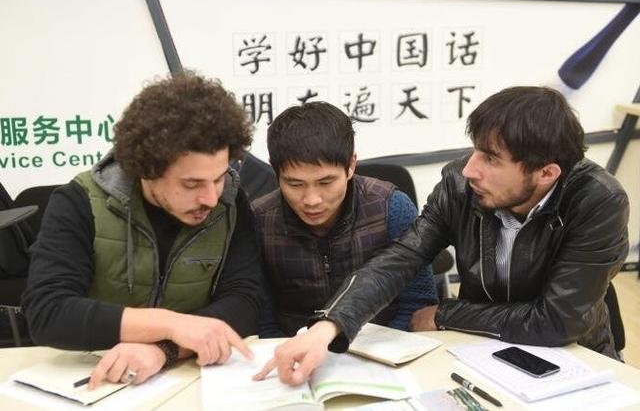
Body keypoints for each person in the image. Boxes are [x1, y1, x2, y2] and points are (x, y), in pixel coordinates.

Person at [254, 86, 630, 386]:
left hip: (575, 362)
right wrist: (330, 325)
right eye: (475, 150)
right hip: (478, 350)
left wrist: (447, 312)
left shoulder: (598, 201)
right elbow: (401, 258)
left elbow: (556, 321)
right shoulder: (458, 185)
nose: (469, 169)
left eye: (491, 159)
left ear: (546, 173)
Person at [22, 71, 263, 388]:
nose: (210, 198)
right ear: (146, 169)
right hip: (95, 375)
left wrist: (164, 349)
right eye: (191, 184)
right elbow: (47, 311)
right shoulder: (79, 201)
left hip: (187, 374)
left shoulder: (230, 202)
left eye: (218, 178)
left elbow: (245, 301)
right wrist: (170, 324)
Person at [251, 101, 438, 338]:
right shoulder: (260, 220)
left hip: (382, 347)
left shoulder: (391, 207)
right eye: (295, 184)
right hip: (292, 349)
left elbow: (418, 304)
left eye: (326, 182)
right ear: (276, 171)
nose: (312, 200)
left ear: (350, 165)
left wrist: (381, 347)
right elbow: (263, 320)